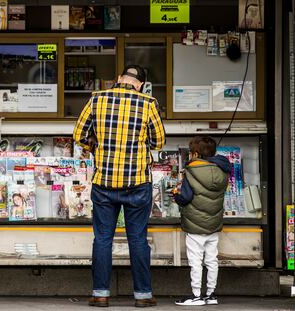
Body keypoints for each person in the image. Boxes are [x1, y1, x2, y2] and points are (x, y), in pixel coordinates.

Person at [73, 65, 165, 308]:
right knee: (138, 239)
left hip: (104, 183)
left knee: (102, 239)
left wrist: (97, 147)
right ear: (141, 85)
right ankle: (143, 296)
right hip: (137, 183)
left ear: (118, 79)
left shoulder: (96, 99)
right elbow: (158, 142)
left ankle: (101, 294)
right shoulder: (148, 103)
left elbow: (79, 134)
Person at [173, 136, 231, 306]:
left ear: (195, 154)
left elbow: (186, 197)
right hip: (213, 224)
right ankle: (211, 294)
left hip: (195, 225)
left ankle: (196, 295)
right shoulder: (222, 171)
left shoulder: (191, 172)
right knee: (212, 260)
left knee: (196, 261)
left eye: (190, 153)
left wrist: (176, 195)